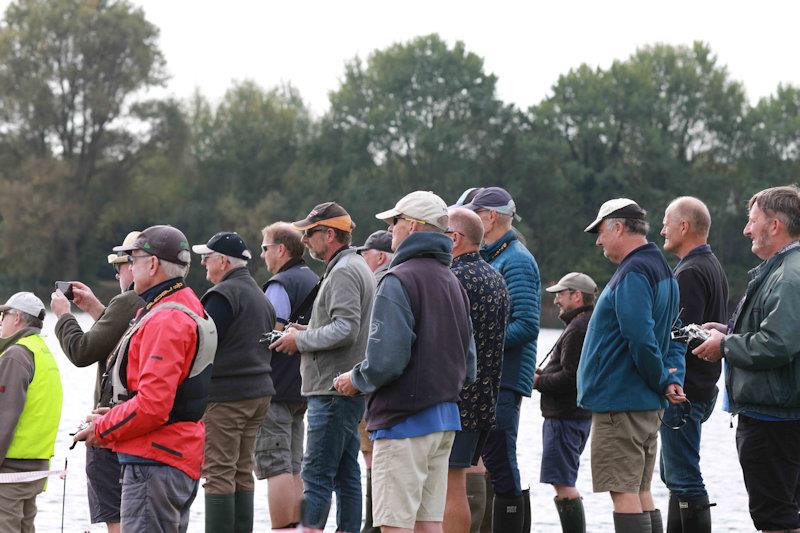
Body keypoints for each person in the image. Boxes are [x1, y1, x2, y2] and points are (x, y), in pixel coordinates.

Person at [334, 190, 476, 533]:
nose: (390, 228)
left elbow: (386, 361)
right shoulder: (452, 280)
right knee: (429, 524)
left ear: (412, 226)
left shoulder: (398, 279)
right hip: (444, 421)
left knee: (394, 525)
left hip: (404, 424)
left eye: (394, 221)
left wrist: (355, 379)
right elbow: (469, 365)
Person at [73, 225, 218, 533]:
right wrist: (115, 414)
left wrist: (101, 428)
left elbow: (153, 405)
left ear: (152, 264)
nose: (128, 268)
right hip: (176, 456)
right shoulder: (187, 304)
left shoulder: (165, 319)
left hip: (155, 461)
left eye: (133, 259)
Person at [693, 185, 800, 533]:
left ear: (775, 225)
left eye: (752, 221)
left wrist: (725, 345)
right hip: (780, 414)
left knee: (775, 518)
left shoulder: (789, 276)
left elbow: (778, 344)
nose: (746, 229)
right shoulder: (786, 270)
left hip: (775, 420)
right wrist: (727, 331)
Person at [576, 198, 686, 533]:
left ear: (618, 226)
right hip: (643, 403)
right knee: (640, 489)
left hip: (620, 402)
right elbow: (675, 335)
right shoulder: (662, 269)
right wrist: (669, 378)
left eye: (600, 232)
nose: (597, 241)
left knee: (623, 491)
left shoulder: (635, 272)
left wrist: (660, 380)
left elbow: (640, 338)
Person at [270, 202, 375, 533]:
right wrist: (301, 331)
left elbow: (346, 328)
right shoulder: (355, 265)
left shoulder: (343, 271)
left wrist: (298, 342)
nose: (304, 240)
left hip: (331, 393)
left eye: (309, 233)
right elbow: (342, 324)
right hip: (344, 390)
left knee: (315, 476)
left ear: (330, 234)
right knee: (346, 475)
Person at [50, 231, 145, 533]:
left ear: (135, 264)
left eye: (120, 266)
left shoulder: (129, 299)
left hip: (114, 427)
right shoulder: (155, 300)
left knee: (117, 515)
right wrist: (93, 307)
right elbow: (121, 337)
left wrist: (65, 316)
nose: (117, 273)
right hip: (141, 426)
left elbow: (82, 352)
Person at [464, 186, 540, 531]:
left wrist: (477, 346)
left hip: (505, 377)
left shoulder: (517, 260)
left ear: (491, 217)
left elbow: (526, 325)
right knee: (489, 457)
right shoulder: (496, 255)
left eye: (474, 215)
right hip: (491, 375)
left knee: (500, 457)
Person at [192, 231, 276, 532]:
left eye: (207, 257)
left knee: (217, 471)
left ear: (224, 261)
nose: (203, 263)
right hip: (259, 394)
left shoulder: (222, 296)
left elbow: (202, 346)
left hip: (227, 396)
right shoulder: (261, 297)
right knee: (241, 469)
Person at [658, 197, 728, 532]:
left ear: (684, 226)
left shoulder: (690, 272)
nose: (662, 230)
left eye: (666, 222)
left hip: (684, 392)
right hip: (699, 388)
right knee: (674, 476)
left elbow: (679, 336)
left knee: (684, 478)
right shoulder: (710, 264)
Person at [443, 207, 509, 533]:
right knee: (468, 471)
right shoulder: (496, 278)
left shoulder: (452, 279)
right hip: (485, 395)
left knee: (450, 483)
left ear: (454, 238)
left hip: (455, 395)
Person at [255, 222, 319, 530]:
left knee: (275, 465)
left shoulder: (279, 284)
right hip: (303, 385)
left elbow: (270, 334)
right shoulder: (314, 278)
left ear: (281, 250)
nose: (262, 255)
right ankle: (299, 528)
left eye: (265, 248)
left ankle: (282, 529)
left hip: (277, 386)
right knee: (295, 465)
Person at [535, 272, 597, 533]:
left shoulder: (578, 329)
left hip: (565, 418)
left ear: (577, 296)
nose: (557, 300)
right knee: (562, 481)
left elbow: (571, 379)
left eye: (561, 294)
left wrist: (537, 381)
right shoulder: (585, 324)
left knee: (563, 483)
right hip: (574, 417)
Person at [0, 292, 63, 532]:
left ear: (16, 318)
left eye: (4, 315)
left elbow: (4, 417)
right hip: (35, 468)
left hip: (10, 470)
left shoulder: (15, 355)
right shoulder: (42, 351)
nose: (0, 320)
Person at [354, 228, 394, 533]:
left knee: (371, 454)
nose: (362, 260)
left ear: (379, 257)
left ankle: (371, 524)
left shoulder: (380, 282)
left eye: (365, 254)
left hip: (372, 386)